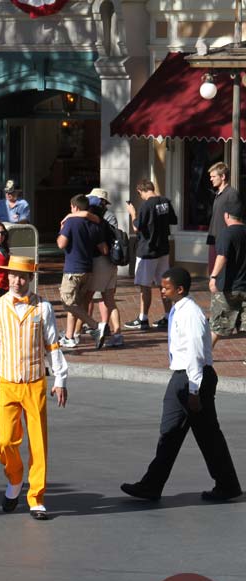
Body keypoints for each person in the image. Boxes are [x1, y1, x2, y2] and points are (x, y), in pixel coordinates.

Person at [120, 268, 242, 503]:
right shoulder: (179, 310)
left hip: (191, 378)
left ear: (180, 290)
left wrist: (194, 390)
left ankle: (224, 484)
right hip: (185, 377)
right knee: (178, 433)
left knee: (191, 434)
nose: (162, 291)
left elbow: (196, 353)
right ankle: (154, 485)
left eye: (166, 287)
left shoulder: (191, 314)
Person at [0, 255, 69, 521]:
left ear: (30, 278)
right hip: (6, 383)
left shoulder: (43, 308)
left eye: (22, 276)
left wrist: (60, 379)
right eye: (13, 276)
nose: (17, 281)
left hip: (34, 383)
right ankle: (15, 478)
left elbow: (52, 345)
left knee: (38, 443)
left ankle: (36, 497)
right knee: (5, 441)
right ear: (6, 277)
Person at [125, 179, 176, 331]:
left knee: (144, 286)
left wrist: (133, 213)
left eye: (139, 193)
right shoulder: (165, 201)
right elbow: (173, 220)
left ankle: (143, 319)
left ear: (141, 191)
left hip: (147, 250)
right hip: (163, 249)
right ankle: (168, 316)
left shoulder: (146, 205)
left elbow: (137, 228)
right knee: (164, 285)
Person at [57, 194, 107, 348]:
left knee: (68, 303)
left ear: (75, 207)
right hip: (87, 269)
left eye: (71, 206)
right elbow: (103, 248)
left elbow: (61, 244)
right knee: (76, 304)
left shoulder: (71, 222)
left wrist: (61, 230)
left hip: (73, 269)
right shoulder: (93, 223)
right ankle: (69, 336)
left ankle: (96, 326)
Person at [87, 189, 124, 349]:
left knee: (86, 297)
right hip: (111, 263)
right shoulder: (109, 217)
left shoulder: (97, 220)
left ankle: (74, 334)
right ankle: (117, 333)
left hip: (100, 262)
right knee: (109, 299)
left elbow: (102, 245)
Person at [208, 198, 246, 349]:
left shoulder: (226, 233)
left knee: (218, 326)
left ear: (227, 216)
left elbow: (222, 256)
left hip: (228, 287)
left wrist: (213, 277)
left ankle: (204, 355)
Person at [208, 162, 242, 273]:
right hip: (214, 240)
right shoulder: (218, 194)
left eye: (213, 176)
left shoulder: (232, 194)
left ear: (222, 177)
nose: (211, 179)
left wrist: (226, 239)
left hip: (224, 242)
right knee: (213, 274)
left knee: (221, 275)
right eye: (210, 177)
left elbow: (234, 222)